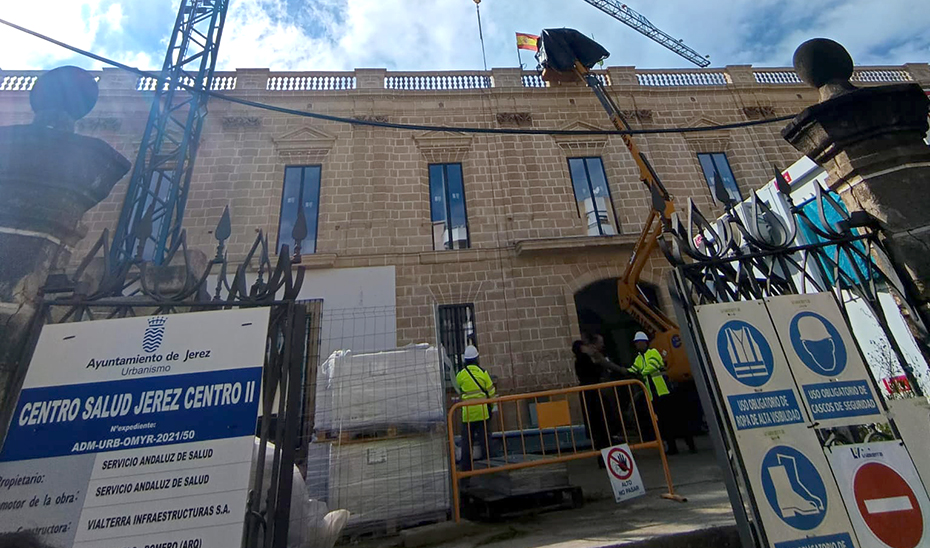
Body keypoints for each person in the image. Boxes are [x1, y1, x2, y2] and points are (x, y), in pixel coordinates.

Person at [628, 331, 696, 455]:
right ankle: (672, 447)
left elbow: (650, 367)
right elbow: (633, 369)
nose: (638, 345)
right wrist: (626, 371)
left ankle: (690, 444)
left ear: (645, 342)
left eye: (639, 342)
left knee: (676, 420)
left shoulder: (653, 353)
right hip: (654, 395)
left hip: (665, 392)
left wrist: (639, 372)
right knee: (664, 423)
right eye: (636, 343)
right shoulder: (638, 358)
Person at [455, 345, 498, 471]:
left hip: (467, 415)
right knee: (486, 443)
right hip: (482, 413)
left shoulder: (461, 375)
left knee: (467, 445)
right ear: (476, 358)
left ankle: (466, 472)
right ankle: (490, 468)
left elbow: (458, 389)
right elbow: (491, 393)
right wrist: (492, 408)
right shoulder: (483, 373)